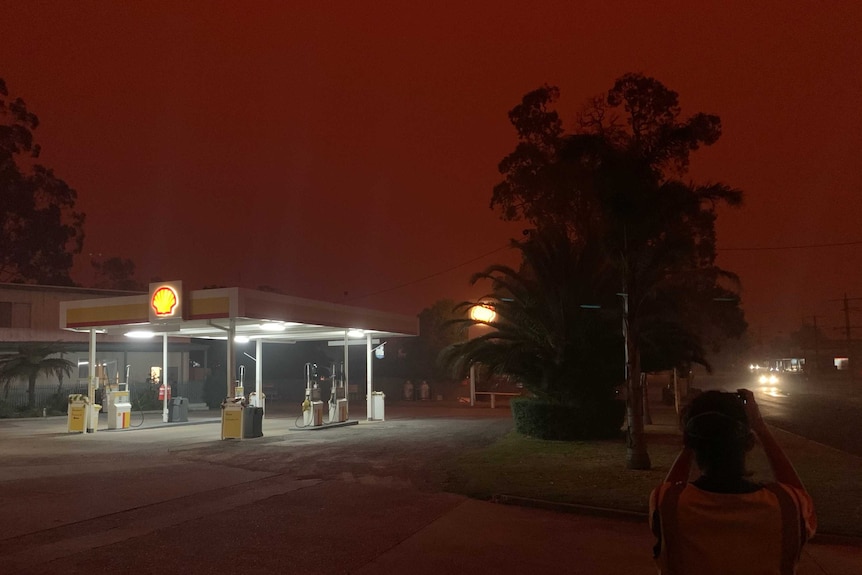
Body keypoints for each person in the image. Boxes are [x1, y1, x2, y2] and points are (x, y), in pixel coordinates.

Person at [649, 388, 816, 574]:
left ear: (691, 442)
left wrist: (694, 437)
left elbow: (669, 492)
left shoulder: (670, 503)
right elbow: (801, 498)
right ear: (749, 443)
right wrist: (760, 427)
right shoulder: (787, 505)